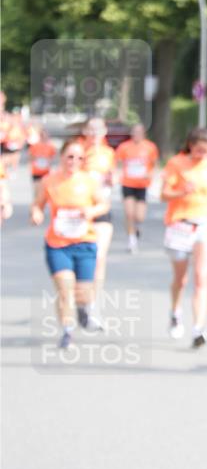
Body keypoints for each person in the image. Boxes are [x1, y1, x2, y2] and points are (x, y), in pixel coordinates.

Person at [30, 138, 109, 349]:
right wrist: (36, 214)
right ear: (62, 157)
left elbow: (103, 204)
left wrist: (91, 211)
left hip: (85, 243)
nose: (74, 161)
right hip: (58, 244)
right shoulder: (49, 181)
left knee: (83, 293)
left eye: (79, 158)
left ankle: (83, 309)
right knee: (65, 289)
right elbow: (37, 205)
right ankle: (67, 331)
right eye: (70, 156)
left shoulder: (89, 181)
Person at [161, 128, 207, 347]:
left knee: (202, 277)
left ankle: (198, 328)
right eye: (199, 150)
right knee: (181, 279)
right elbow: (163, 194)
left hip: (205, 224)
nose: (203, 155)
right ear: (190, 146)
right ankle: (175, 312)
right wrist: (181, 191)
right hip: (180, 225)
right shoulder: (176, 163)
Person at [81, 117, 116, 326]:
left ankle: (93, 306)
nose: (94, 133)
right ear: (85, 131)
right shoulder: (78, 152)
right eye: (91, 129)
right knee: (82, 260)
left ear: (104, 132)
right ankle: (82, 300)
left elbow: (112, 177)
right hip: (80, 211)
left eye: (98, 129)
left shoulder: (108, 153)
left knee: (99, 257)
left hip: (101, 209)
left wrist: (111, 180)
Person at [114, 123, 159, 252]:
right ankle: (131, 240)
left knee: (139, 216)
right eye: (135, 132)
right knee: (129, 214)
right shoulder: (124, 147)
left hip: (142, 185)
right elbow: (118, 163)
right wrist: (118, 175)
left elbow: (154, 163)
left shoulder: (150, 147)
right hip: (128, 183)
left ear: (144, 133)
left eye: (139, 132)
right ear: (131, 133)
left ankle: (136, 229)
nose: (137, 134)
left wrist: (150, 174)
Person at [28, 126, 58, 194]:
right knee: (36, 190)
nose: (44, 137)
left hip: (46, 172)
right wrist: (36, 159)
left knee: (45, 191)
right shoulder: (35, 146)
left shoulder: (51, 146)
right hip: (36, 171)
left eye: (45, 136)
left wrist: (48, 161)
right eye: (42, 135)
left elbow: (54, 157)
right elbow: (30, 157)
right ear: (40, 136)